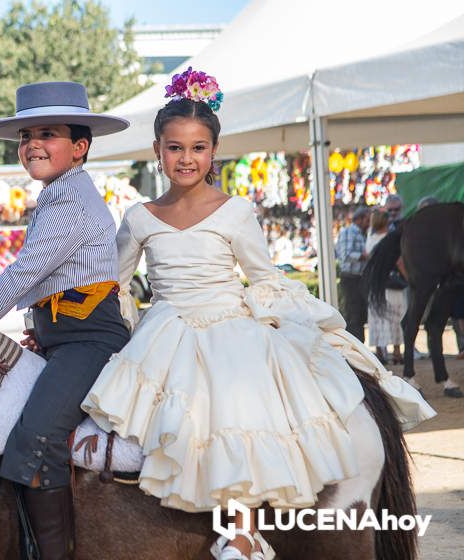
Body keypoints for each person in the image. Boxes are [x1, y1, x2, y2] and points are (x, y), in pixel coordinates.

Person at [79, 68, 435, 560]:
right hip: (166, 328)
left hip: (228, 320)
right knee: (170, 420)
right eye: (175, 147)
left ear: (213, 153)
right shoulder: (139, 216)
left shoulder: (236, 210)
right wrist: (117, 331)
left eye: (198, 147)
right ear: (158, 151)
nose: (187, 158)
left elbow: (261, 274)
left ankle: (242, 530)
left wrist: (275, 316)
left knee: (238, 402)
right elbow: (115, 283)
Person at [0, 81, 131, 558]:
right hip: (62, 339)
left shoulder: (68, 201)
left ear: (80, 147)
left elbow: (22, 274)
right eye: (26, 136)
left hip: (88, 342)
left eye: (48, 133)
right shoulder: (59, 193)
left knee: (36, 439)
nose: (32, 145)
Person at [365, 210, 406, 364]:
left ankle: (381, 351)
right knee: (396, 316)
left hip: (376, 284)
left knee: (378, 317)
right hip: (391, 283)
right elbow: (398, 261)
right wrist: (409, 278)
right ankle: (396, 352)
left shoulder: (370, 238)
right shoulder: (391, 239)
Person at [335, 206, 371, 341]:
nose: (370, 222)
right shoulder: (348, 232)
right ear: (360, 219)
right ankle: (353, 347)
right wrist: (364, 256)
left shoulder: (363, 233)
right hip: (351, 278)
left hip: (360, 278)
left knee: (360, 314)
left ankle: (359, 346)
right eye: (367, 219)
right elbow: (345, 255)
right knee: (353, 314)